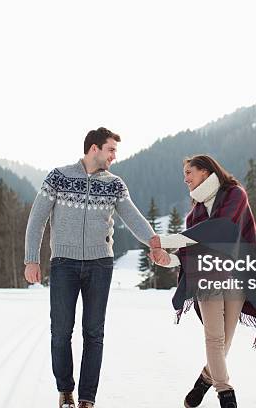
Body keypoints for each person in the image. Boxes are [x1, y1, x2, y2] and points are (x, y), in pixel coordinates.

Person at [24, 127, 165, 408]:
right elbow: (37, 219)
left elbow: (133, 217)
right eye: (111, 149)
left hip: (100, 264)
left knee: (94, 333)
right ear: (94, 149)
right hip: (64, 263)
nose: (114, 156)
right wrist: (31, 259)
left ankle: (87, 399)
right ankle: (65, 391)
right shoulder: (58, 177)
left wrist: (154, 242)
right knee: (61, 331)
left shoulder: (115, 184)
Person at [148, 154, 256, 408]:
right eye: (184, 174)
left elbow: (221, 229)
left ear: (205, 171)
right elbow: (188, 254)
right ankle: (225, 393)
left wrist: (168, 240)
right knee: (215, 339)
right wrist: (167, 259)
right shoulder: (193, 216)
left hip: (236, 275)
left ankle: (204, 380)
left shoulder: (235, 195)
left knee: (225, 342)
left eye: (189, 172)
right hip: (206, 278)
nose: (185, 179)